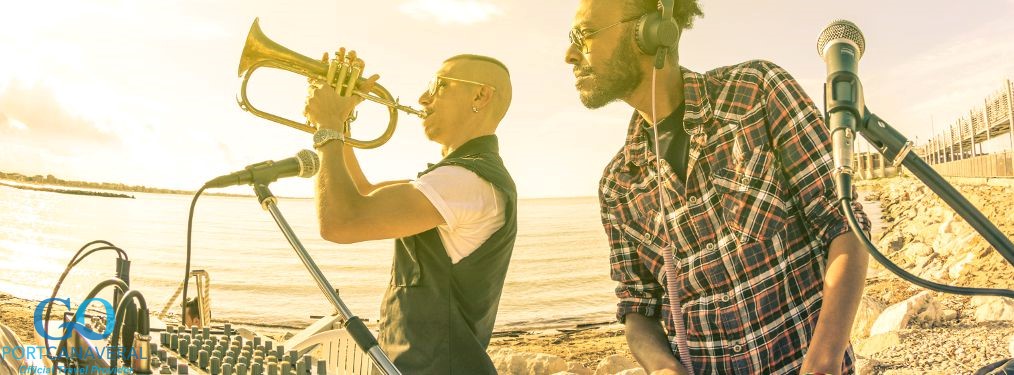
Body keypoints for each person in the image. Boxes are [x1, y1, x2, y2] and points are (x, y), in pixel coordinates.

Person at [564, 1, 871, 374]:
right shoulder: (618, 185)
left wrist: (823, 362)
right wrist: (663, 367)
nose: (569, 55)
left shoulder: (756, 91)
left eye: (583, 36)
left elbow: (843, 223)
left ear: (650, 30)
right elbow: (637, 307)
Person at [304, 50, 516, 374]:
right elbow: (362, 192)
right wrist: (340, 120)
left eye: (439, 85)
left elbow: (340, 221)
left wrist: (329, 124)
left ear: (480, 95)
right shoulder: (455, 179)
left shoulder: (467, 181)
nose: (423, 97)